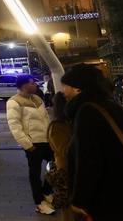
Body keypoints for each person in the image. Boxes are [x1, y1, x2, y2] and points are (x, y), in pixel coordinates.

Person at [61, 64, 123, 220]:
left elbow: (88, 161)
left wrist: (79, 200)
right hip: (121, 190)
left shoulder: (87, 111)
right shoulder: (110, 105)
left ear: (78, 88)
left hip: (106, 196)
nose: (63, 91)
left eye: (66, 86)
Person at [6, 75, 54, 215]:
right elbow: (14, 125)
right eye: (32, 83)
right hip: (32, 143)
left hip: (46, 140)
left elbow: (46, 119)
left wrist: (51, 136)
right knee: (35, 173)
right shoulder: (14, 102)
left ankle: (46, 191)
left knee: (56, 164)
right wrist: (27, 145)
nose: (35, 85)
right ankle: (39, 202)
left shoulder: (37, 99)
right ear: (24, 85)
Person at [46, 92, 72, 221]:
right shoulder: (57, 126)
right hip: (66, 174)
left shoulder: (69, 122)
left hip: (73, 173)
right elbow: (65, 150)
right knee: (69, 211)